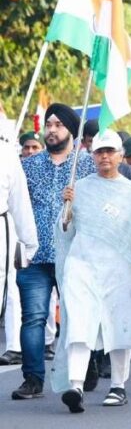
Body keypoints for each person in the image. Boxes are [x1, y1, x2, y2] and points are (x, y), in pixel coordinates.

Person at [53, 130, 131, 412]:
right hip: (82, 266)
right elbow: (65, 231)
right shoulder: (78, 188)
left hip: (120, 268)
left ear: (120, 155)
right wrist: (67, 210)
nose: (105, 156)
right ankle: (76, 385)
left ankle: (118, 386)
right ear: (92, 155)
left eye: (110, 151)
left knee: (119, 324)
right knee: (79, 323)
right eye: (100, 152)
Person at [13, 103, 97, 400]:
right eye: (48, 124)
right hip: (36, 255)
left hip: (75, 255)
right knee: (33, 318)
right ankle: (32, 378)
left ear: (71, 130)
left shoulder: (87, 165)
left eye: (58, 125)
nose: (51, 130)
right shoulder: (28, 165)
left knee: (78, 316)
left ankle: (84, 367)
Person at [0, 141, 40, 367]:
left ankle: (14, 345)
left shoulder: (5, 153)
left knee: (7, 291)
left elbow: (19, 202)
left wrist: (29, 243)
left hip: (2, 230)